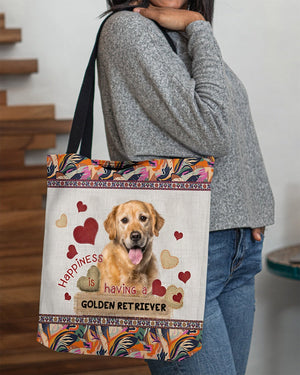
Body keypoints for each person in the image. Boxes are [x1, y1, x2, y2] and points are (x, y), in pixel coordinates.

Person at [97, 1, 275, 374]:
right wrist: (199, 26)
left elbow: (233, 121)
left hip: (235, 250)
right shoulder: (129, 30)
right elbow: (213, 128)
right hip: (182, 252)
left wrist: (250, 209)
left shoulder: (175, 31)